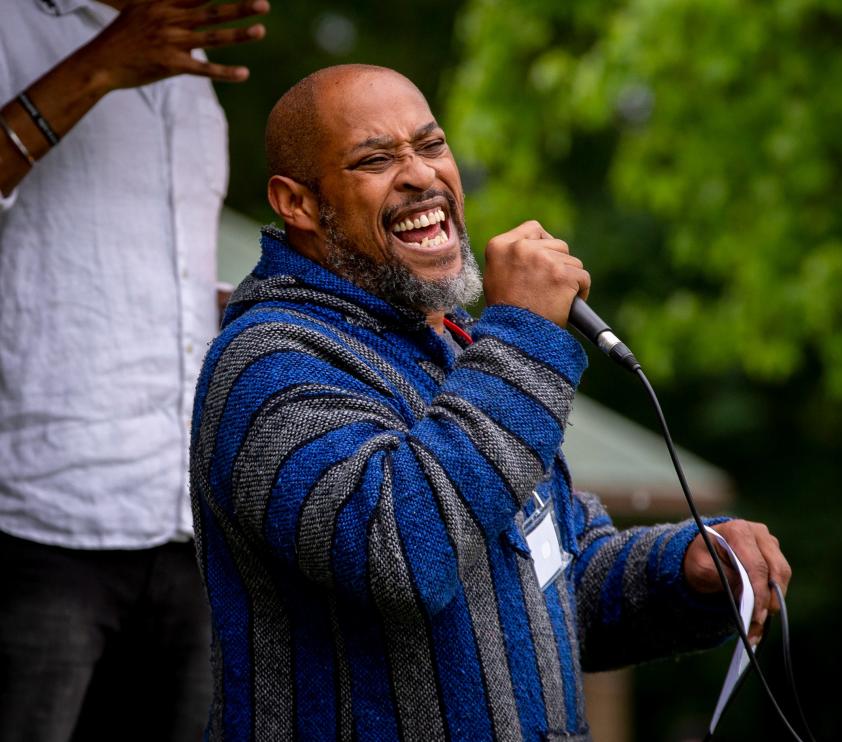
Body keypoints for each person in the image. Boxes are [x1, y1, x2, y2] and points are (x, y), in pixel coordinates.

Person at [190, 64, 792, 741]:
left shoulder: (456, 352)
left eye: (431, 144)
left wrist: (686, 568)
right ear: (296, 203)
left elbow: (558, 580)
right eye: (375, 158)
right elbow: (402, 553)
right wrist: (525, 336)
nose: (421, 175)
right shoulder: (268, 363)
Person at [0, 1, 269, 740]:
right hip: (36, 518)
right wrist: (100, 63)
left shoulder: (194, 79)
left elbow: (135, 276)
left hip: (187, 520)